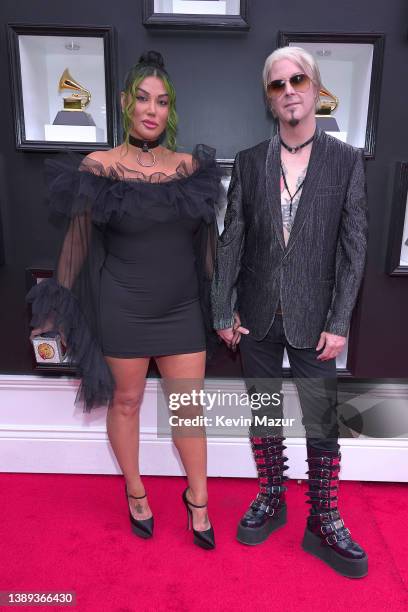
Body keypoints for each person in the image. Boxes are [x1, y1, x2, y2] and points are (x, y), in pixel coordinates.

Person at [27, 51, 221, 550]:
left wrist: (222, 306)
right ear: (124, 103)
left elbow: (208, 249)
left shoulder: (190, 167)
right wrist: (56, 312)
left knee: (189, 410)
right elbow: (76, 245)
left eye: (162, 101)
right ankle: (136, 492)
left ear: (169, 109)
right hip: (123, 307)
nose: (151, 109)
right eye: (142, 98)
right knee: (127, 401)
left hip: (181, 309)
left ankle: (198, 500)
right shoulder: (100, 167)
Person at [211, 46, 369, 576]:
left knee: (323, 421)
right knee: (264, 414)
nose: (289, 91)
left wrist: (340, 320)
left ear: (317, 88)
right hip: (255, 314)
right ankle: (271, 497)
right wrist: (222, 308)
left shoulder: (346, 162)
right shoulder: (251, 161)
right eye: (278, 85)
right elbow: (231, 239)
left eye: (298, 79)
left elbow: (354, 249)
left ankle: (323, 518)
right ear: (269, 98)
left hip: (315, 318)